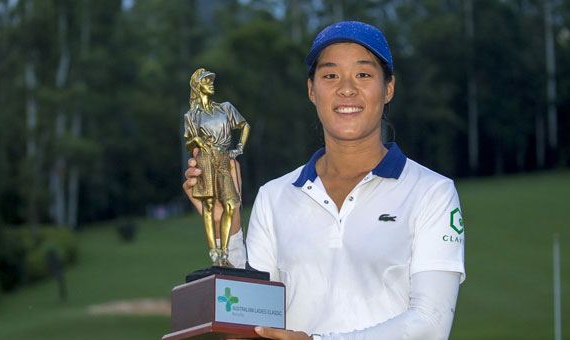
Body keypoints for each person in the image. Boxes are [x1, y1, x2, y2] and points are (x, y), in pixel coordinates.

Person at [183, 21, 465, 340]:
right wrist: (230, 229)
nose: (346, 89)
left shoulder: (432, 192)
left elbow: (431, 323)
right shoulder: (274, 196)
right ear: (311, 90)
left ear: (388, 88)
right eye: (330, 75)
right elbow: (250, 318)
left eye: (363, 74)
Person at [184, 68, 250, 267]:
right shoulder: (192, 115)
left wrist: (238, 148)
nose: (211, 83)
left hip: (223, 156)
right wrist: (197, 140)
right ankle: (216, 252)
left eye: (211, 80)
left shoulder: (225, 108)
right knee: (209, 206)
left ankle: (226, 249)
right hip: (205, 157)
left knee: (230, 204)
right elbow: (188, 143)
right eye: (206, 81)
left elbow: (244, 126)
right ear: (197, 86)